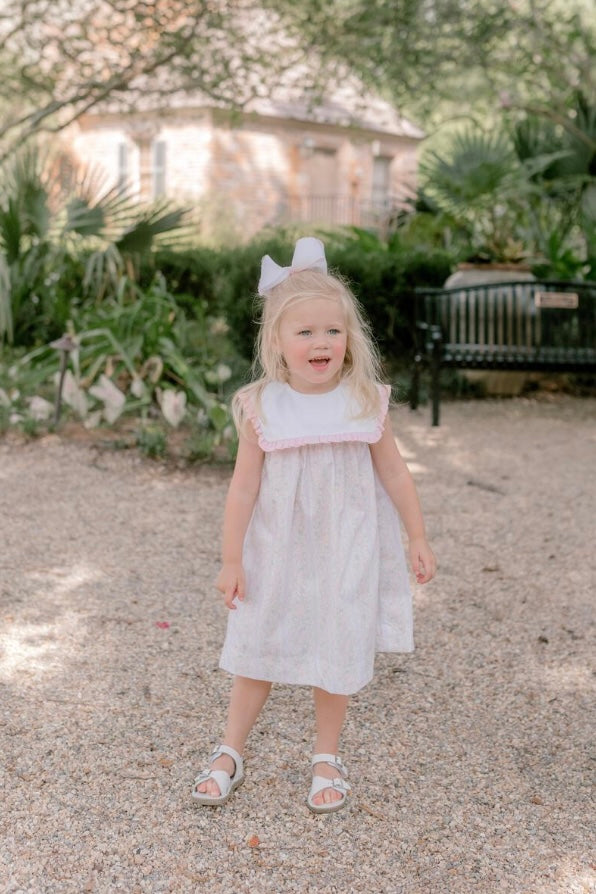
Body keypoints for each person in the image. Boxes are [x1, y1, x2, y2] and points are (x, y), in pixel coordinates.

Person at [192, 236, 436, 813]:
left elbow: (397, 475)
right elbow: (244, 487)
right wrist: (232, 558)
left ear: (349, 338)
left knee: (336, 646)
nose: (321, 342)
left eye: (332, 331)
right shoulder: (263, 405)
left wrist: (417, 536)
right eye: (304, 332)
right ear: (277, 341)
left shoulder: (363, 402)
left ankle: (326, 755)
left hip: (347, 549)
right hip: (276, 551)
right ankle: (230, 749)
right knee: (259, 646)